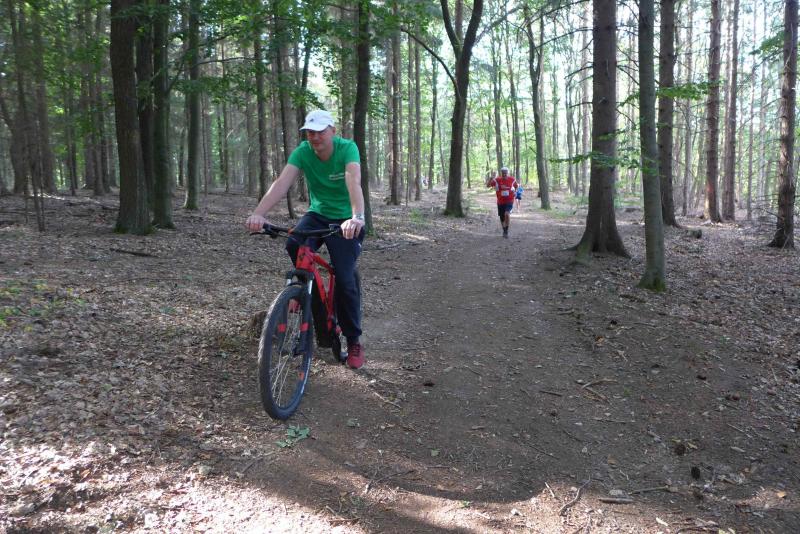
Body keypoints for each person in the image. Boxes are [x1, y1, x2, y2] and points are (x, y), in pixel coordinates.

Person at [245, 110, 367, 369]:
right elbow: (281, 183)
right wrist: (259, 213)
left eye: (320, 131)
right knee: (293, 243)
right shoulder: (303, 152)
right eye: (310, 132)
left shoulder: (347, 149)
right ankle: (303, 291)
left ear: (332, 130)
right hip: (318, 214)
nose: (314, 137)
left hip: (346, 219)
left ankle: (353, 340)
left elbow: (353, 181)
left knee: (345, 279)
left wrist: (357, 216)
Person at [486, 166, 517, 238]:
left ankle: (506, 230)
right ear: (501, 173)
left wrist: (515, 192)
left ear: (507, 173)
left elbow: (516, 186)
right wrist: (491, 178)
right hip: (500, 201)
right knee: (502, 217)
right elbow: (488, 186)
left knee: (507, 214)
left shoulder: (512, 179)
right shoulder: (497, 180)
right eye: (503, 173)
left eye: (505, 173)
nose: (504, 175)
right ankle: (504, 229)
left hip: (509, 200)